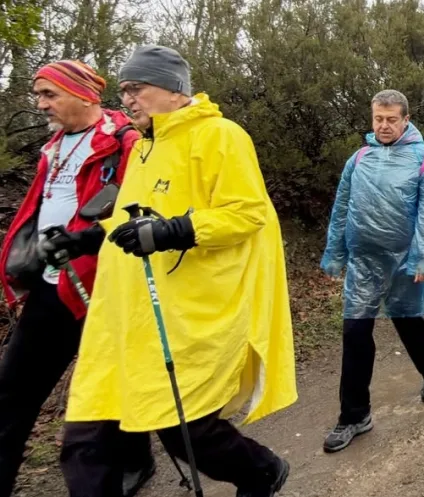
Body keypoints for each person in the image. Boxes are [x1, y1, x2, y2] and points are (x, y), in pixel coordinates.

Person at [59, 45, 297, 497]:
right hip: (128, 315)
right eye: (124, 90)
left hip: (190, 310)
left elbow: (248, 213)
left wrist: (177, 230)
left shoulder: (221, 136)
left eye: (137, 88)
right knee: (88, 431)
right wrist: (86, 239)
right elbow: (133, 217)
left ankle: (262, 470)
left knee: (188, 431)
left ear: (174, 90)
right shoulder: (145, 146)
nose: (126, 99)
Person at [0, 60, 156, 497]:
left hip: (101, 286)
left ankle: (136, 461)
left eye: (50, 94)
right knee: (12, 394)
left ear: (84, 94)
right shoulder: (53, 147)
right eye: (37, 95)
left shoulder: (125, 141)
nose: (41, 103)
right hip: (51, 284)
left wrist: (85, 239)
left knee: (108, 389)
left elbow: (137, 210)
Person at [321, 89, 424, 453]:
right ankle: (354, 416)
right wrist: (335, 252)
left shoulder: (423, 161)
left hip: (404, 262)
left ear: (405, 120)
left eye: (391, 119)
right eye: (378, 118)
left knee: (409, 324)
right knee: (355, 332)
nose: (383, 125)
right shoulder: (359, 159)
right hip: (364, 263)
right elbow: (342, 206)